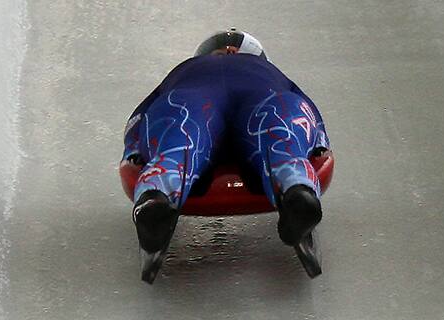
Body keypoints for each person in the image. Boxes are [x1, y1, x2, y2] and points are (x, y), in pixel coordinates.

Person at [121, 28, 330, 255]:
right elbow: (307, 110)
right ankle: (297, 190)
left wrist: (134, 152)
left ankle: (156, 196)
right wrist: (319, 144)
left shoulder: (184, 70)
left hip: (189, 98)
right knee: (281, 141)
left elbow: (141, 116)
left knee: (178, 144)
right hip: (267, 96)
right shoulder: (271, 71)